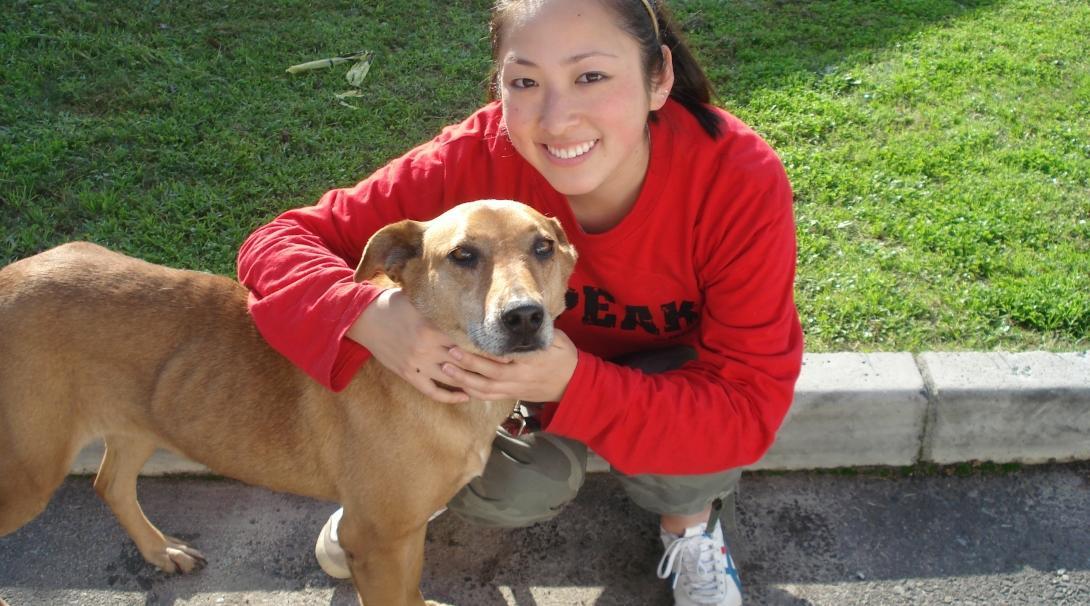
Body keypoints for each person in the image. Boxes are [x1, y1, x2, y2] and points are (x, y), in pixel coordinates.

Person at [237, 0, 803, 604]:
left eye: (591, 76)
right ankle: (391, 499)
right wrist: (367, 315)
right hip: (505, 385)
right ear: (499, 88)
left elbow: (746, 407)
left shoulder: (735, 177)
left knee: (698, 450)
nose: (557, 119)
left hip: (658, 376)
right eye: (526, 82)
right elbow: (276, 242)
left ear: (658, 77)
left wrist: (574, 382)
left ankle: (690, 526)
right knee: (510, 489)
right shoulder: (473, 157)